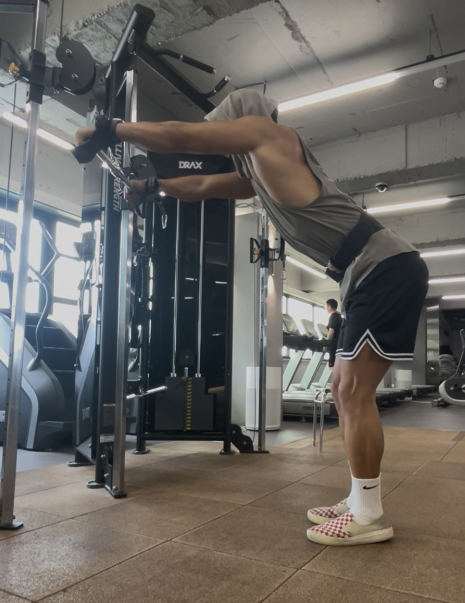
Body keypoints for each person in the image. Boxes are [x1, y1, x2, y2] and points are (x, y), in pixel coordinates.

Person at [75, 89, 429, 546]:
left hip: (384, 266)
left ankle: (370, 515)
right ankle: (360, 498)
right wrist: (153, 187)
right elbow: (201, 186)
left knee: (353, 391)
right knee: (343, 390)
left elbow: (181, 136)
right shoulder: (255, 177)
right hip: (363, 273)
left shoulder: (271, 136)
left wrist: (112, 129)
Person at [324, 298, 342, 370]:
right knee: (336, 366)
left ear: (329, 306)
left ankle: (334, 378)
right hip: (338, 345)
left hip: (334, 345)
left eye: (325, 306)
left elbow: (331, 331)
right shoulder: (338, 316)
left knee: (332, 366)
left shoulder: (333, 316)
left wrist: (326, 344)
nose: (325, 308)